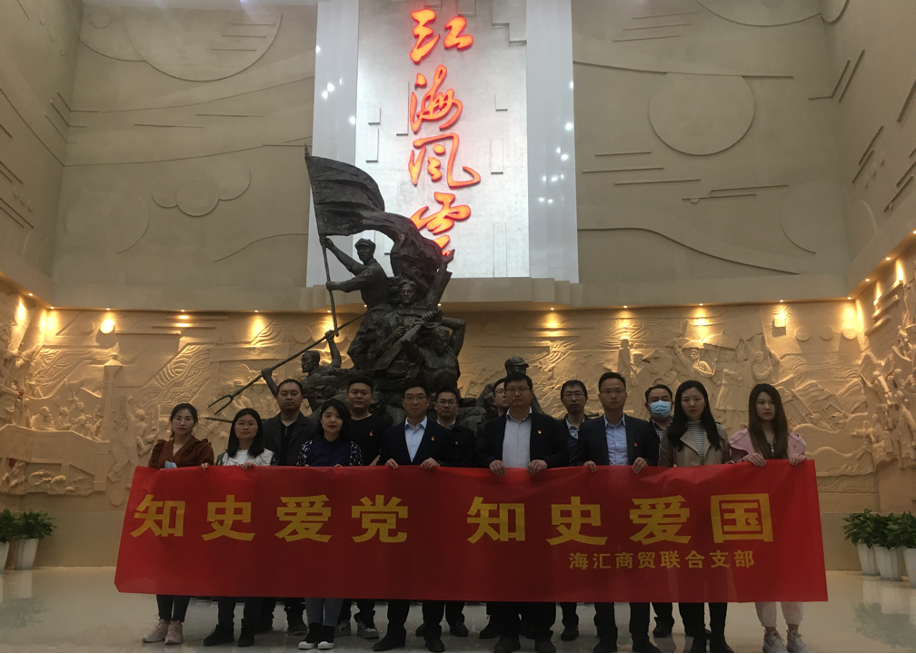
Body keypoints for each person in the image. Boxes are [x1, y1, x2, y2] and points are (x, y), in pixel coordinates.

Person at [478, 371, 568, 654]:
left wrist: (546, 462)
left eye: (522, 389)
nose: (516, 394)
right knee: (505, 572)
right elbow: (478, 455)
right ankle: (508, 633)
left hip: (539, 508)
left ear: (531, 393)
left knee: (540, 572)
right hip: (502, 510)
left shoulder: (548, 425)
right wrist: (490, 461)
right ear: (503, 394)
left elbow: (565, 456)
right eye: (511, 390)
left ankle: (541, 633)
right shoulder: (492, 427)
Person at [578, 373, 661, 654]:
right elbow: (575, 462)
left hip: (637, 513)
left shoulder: (642, 428)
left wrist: (646, 462)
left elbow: (656, 462)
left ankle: (640, 637)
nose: (613, 395)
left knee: (639, 575)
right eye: (607, 391)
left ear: (626, 395)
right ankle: (607, 637)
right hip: (601, 512)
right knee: (603, 574)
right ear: (599, 396)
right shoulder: (588, 429)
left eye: (618, 390)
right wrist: (585, 466)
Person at [730, 384, 809, 654]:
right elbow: (729, 477)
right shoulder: (740, 442)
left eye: (771, 402)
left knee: (792, 576)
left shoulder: (795, 441)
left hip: (788, 520)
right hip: (757, 521)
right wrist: (742, 465)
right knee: (764, 577)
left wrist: (800, 464)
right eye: (761, 402)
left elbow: (800, 484)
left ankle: (794, 633)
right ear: (753, 407)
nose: (766, 407)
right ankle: (770, 634)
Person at [374, 381, 452, 654]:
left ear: (428, 402)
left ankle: (432, 632)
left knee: (432, 575)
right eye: (410, 397)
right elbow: (381, 464)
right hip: (398, 516)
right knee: (398, 576)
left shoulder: (441, 434)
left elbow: (457, 467)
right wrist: (386, 465)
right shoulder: (391, 434)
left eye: (420, 397)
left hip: (432, 516)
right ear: (403, 403)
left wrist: (440, 465)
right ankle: (395, 631)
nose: (415, 402)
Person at [659, 381, 733, 654]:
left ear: (705, 401)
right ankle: (697, 636)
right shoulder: (670, 435)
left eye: (697, 398)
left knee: (717, 577)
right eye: (686, 399)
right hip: (684, 515)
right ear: (679, 404)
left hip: (714, 515)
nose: (692, 404)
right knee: (689, 577)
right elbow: (661, 475)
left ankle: (719, 636)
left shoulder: (720, 432)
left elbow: (727, 467)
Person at [142, 403, 214, 646]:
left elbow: (209, 480)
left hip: (189, 516)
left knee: (182, 569)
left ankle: (177, 623)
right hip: (163, 514)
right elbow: (150, 477)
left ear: (195, 422)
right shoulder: (161, 447)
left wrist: (202, 471)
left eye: (188, 419)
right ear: (171, 421)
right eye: (178, 418)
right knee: (163, 569)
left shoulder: (202, 448)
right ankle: (163, 621)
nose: (182, 423)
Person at [201, 409, 274, 648]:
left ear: (258, 428)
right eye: (241, 423)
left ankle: (248, 628)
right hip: (227, 524)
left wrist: (259, 475)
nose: (245, 427)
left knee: (252, 578)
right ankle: (224, 626)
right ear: (233, 428)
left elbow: (276, 490)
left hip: (256, 525)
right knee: (226, 577)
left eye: (251, 423)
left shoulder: (268, 456)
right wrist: (206, 472)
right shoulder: (224, 457)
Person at [297, 399, 363, 651]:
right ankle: (313, 628)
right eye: (328, 415)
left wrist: (343, 477)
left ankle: (329, 629)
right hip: (311, 517)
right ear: (321, 419)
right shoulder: (307, 447)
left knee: (335, 574)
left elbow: (360, 485)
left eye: (337, 416)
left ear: (344, 421)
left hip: (340, 518)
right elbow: (295, 482)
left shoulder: (353, 449)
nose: (332, 420)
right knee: (311, 574)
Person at [258, 378, 316, 635]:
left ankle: (295, 616)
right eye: (284, 393)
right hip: (268, 502)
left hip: (300, 502)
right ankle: (264, 615)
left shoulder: (312, 427)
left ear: (302, 397)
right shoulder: (263, 427)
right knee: (267, 560)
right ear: (277, 397)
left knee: (297, 561)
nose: (289, 397)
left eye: (294, 393)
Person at [337, 376, 390, 641]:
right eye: (354, 392)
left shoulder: (381, 424)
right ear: (347, 395)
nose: (359, 396)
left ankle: (366, 617)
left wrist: (365, 473)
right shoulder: (338, 422)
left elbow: (386, 454)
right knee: (343, 562)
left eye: (364, 393)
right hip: (340, 502)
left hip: (371, 502)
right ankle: (341, 617)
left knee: (367, 563)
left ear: (372, 397)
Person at [420, 388, 473, 638]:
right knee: (429, 565)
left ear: (458, 407)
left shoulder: (467, 434)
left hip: (458, 505)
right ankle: (429, 620)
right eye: (442, 402)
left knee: (456, 565)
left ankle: (455, 618)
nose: (447, 406)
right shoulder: (425, 432)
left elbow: (470, 466)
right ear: (435, 405)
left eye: (451, 402)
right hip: (428, 506)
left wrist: (443, 467)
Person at [642, 384, 684, 640]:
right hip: (651, 506)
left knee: (687, 564)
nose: (660, 403)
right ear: (647, 406)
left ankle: (693, 621)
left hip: (684, 502)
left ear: (672, 403)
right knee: (657, 566)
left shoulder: (685, 428)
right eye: (655, 399)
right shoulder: (639, 429)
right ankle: (664, 618)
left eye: (665, 399)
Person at [556, 379, 589, 641]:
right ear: (562, 400)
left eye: (578, 394)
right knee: (565, 565)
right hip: (561, 504)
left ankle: (603, 620)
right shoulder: (553, 430)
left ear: (587, 398)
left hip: (594, 503)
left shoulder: (597, 427)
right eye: (569, 394)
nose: (574, 398)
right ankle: (569, 621)